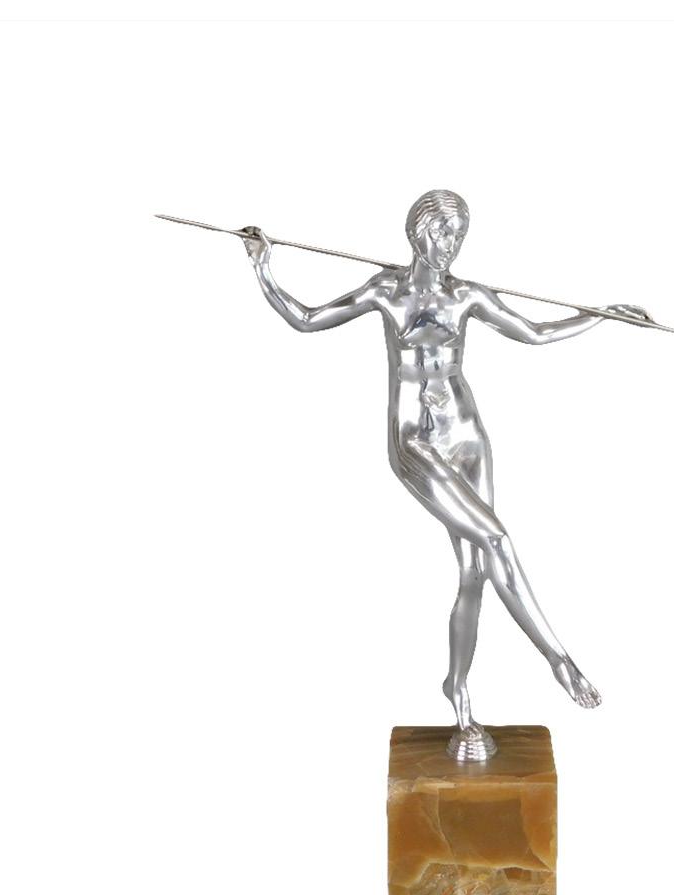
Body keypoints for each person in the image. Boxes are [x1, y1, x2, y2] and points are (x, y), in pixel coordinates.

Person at [242, 190, 650, 759]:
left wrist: (601, 315)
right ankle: (560, 660)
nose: (450, 245)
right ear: (417, 233)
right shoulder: (386, 291)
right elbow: (307, 320)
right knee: (497, 539)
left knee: (474, 571)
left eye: (459, 236)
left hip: (468, 436)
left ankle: (457, 691)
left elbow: (534, 332)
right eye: (441, 233)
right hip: (415, 441)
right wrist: (263, 267)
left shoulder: (467, 296)